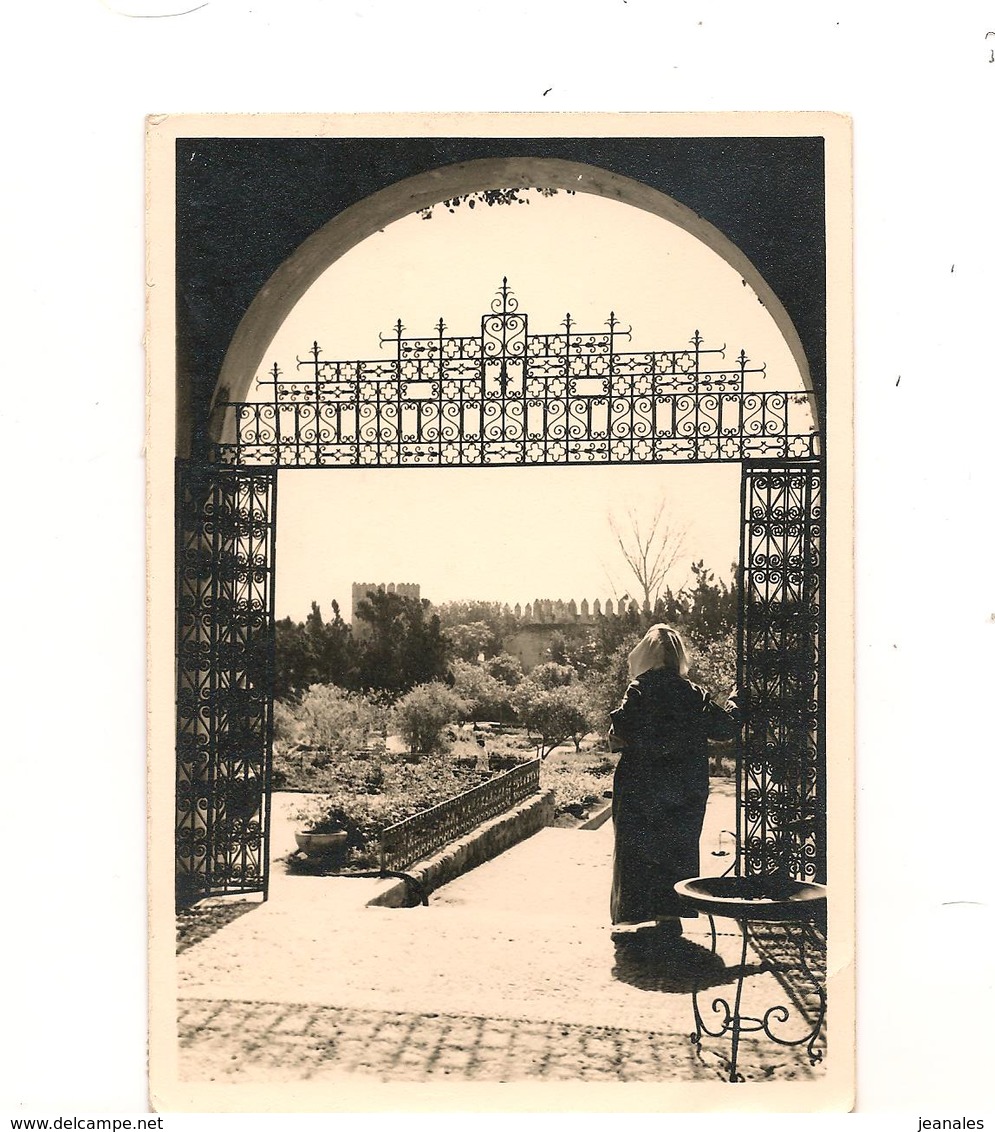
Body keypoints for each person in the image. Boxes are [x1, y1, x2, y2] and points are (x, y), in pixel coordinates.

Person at [608, 624, 741, 942]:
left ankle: (639, 911)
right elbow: (725, 728)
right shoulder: (692, 693)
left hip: (641, 783)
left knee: (639, 845)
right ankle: (670, 914)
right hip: (683, 786)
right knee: (676, 846)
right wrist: (738, 698)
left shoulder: (640, 688)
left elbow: (622, 728)